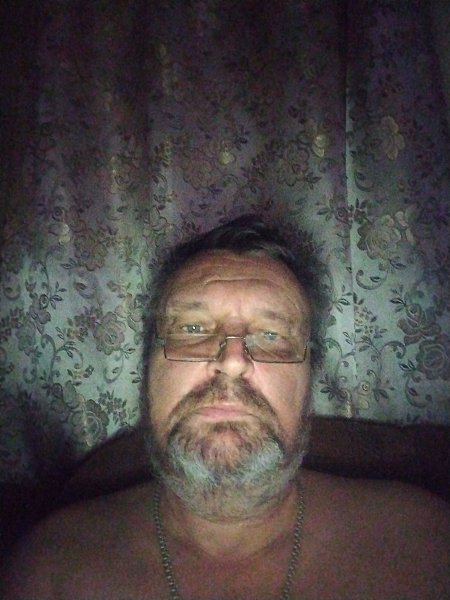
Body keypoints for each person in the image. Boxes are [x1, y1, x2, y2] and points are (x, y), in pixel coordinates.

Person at [2, 215, 449, 600]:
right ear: (147, 374)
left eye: (271, 336)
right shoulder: (48, 569)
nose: (232, 361)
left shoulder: (424, 546)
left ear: (309, 383)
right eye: (193, 328)